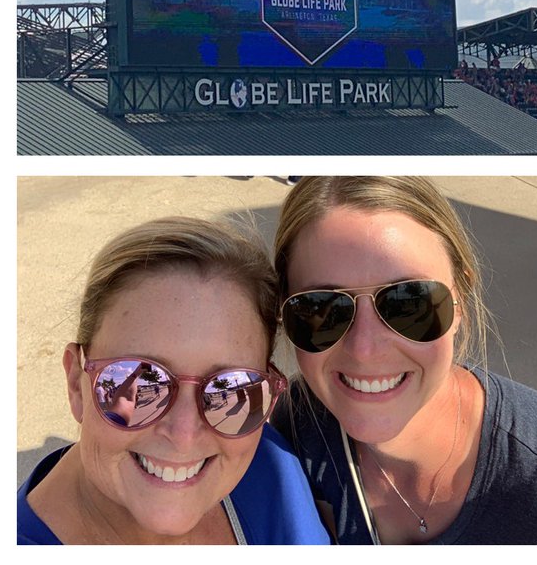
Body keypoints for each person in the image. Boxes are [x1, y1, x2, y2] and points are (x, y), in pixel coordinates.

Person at [270, 176, 537, 544]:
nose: (365, 349)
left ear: (459, 301)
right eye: (321, 308)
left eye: (409, 303)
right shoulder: (295, 425)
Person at [17, 216, 329, 544]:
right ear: (75, 383)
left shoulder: (267, 463)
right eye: (139, 380)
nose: (183, 434)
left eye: (233, 386)